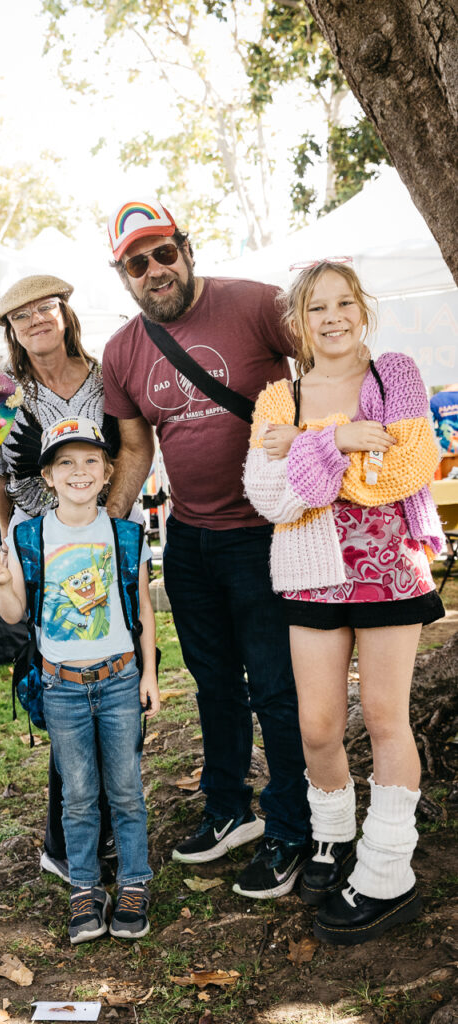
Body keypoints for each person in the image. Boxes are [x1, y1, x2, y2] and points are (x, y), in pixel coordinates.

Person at [102, 197, 310, 899]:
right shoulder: (123, 351)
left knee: (275, 689)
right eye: (138, 262)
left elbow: (325, 364)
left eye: (164, 253)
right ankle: (228, 809)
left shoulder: (255, 305)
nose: (155, 269)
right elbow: (134, 447)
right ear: (124, 275)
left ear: (186, 251)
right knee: (213, 685)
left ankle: (291, 825)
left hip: (266, 535)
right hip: (188, 541)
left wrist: (318, 448)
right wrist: (107, 525)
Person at [243, 261, 444, 945]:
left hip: (389, 570)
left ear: (362, 308)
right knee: (318, 727)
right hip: (311, 576)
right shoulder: (279, 397)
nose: (331, 318)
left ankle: (388, 869)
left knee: (387, 718)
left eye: (343, 303)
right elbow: (269, 498)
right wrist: (337, 438)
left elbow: (409, 469)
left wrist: (306, 456)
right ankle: (331, 838)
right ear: (297, 323)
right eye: (315, 309)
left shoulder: (396, 375)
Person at [0, 417, 160, 944]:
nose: (78, 471)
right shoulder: (28, 535)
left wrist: (149, 674)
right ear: (48, 477)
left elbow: (143, 610)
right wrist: (0, 583)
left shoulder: (126, 535)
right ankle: (84, 886)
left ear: (107, 473)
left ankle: (133, 881)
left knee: (125, 789)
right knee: (77, 794)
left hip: (121, 679)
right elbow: (16, 615)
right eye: (66, 463)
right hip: (61, 685)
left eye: (89, 461)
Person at [0, 274, 120, 884]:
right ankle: (64, 841)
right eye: (22, 316)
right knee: (60, 687)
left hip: (97, 545)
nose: (36, 320)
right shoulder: (6, 396)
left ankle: (112, 829)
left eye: (45, 309)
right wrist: (13, 545)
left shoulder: (104, 376)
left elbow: (131, 446)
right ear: (12, 331)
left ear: (65, 314)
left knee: (113, 680)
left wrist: (112, 523)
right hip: (40, 554)